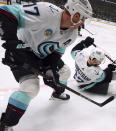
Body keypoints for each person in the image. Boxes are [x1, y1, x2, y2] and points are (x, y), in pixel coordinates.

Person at [0, 0, 93, 130]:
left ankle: (57, 93)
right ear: (75, 15)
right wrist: (12, 44)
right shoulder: (46, 11)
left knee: (65, 72)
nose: (84, 22)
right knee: (31, 87)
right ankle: (6, 124)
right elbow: (5, 12)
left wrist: (51, 69)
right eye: (84, 18)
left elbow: (56, 53)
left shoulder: (72, 34)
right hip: (23, 52)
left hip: (42, 56)